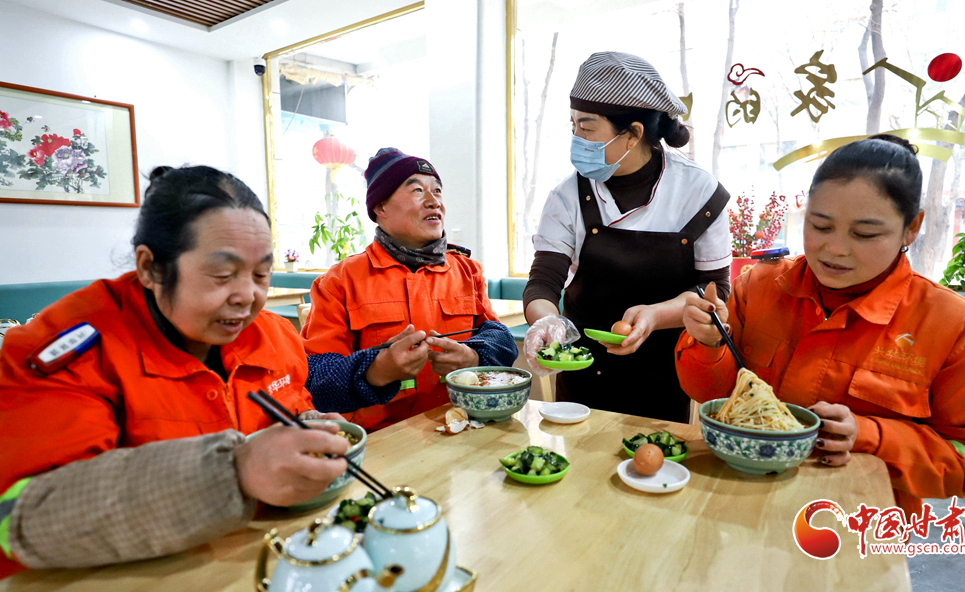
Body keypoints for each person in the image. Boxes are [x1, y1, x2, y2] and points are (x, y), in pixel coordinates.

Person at [0, 166, 351, 578]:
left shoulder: (273, 334)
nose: (247, 296)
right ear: (150, 268)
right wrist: (233, 472)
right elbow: (26, 516)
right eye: (223, 275)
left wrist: (309, 427)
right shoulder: (69, 351)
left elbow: (289, 408)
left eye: (261, 274)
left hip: (265, 564)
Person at [676, 135, 965, 515]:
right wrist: (709, 345)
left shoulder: (958, 328)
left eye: (865, 234)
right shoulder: (759, 286)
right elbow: (708, 395)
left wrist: (872, 436)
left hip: (858, 523)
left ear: (912, 227)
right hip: (739, 502)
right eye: (820, 226)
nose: (835, 249)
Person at [523, 51, 733, 422]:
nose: (576, 138)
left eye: (587, 128)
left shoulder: (698, 192)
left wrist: (656, 315)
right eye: (573, 126)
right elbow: (544, 281)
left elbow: (714, 290)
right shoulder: (567, 196)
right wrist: (546, 322)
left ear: (633, 134)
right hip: (582, 378)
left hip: (666, 378)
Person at [302, 148, 518, 431]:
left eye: (437, 191)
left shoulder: (467, 271)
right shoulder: (340, 281)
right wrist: (375, 371)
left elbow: (503, 342)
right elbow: (315, 378)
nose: (434, 201)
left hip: (462, 426)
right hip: (382, 439)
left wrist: (475, 357)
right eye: (417, 190)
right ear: (380, 208)